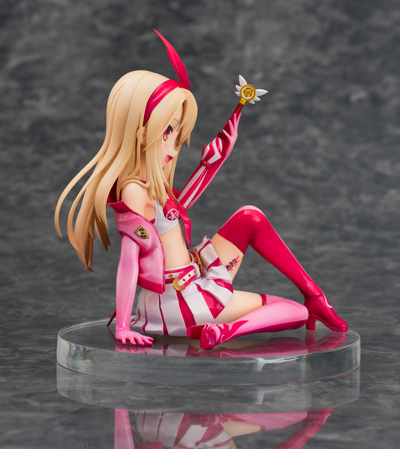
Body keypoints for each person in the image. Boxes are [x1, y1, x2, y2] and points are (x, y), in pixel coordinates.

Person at [55, 31, 347, 350]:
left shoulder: (149, 186)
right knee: (294, 312)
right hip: (180, 300)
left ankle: (315, 296)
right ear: (141, 133)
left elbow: (176, 210)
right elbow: (129, 261)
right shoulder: (134, 192)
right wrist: (123, 325)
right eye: (167, 131)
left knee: (249, 217)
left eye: (178, 135)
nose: (173, 146)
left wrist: (214, 160)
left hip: (189, 280)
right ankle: (226, 331)